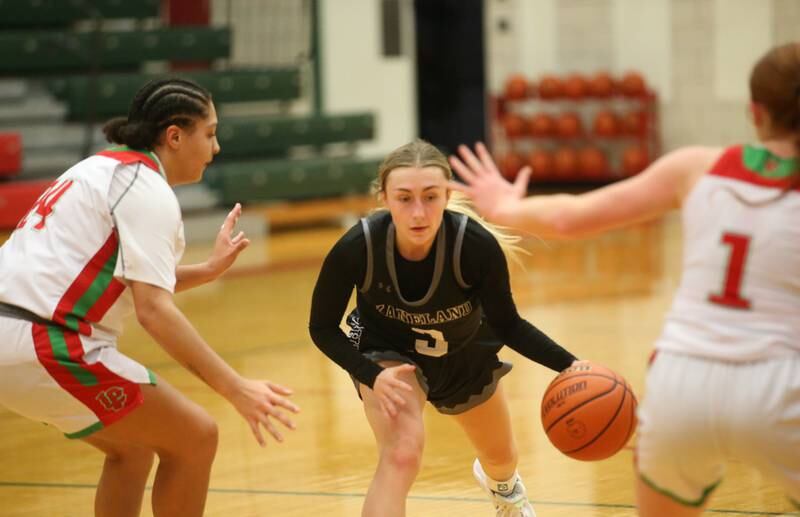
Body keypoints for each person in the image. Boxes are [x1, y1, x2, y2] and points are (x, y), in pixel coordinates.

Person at [448, 42, 800, 516]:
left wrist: (504, 206)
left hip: (684, 380)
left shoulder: (697, 166)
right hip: (781, 382)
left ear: (754, 112)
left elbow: (571, 219)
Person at [0, 78, 299, 517]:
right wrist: (236, 387)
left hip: (16, 337)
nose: (216, 148)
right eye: (210, 133)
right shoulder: (145, 188)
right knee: (197, 436)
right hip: (48, 342)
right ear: (175, 136)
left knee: (133, 449)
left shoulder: (101, 168)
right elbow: (154, 311)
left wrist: (209, 269)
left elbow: (124, 278)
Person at [308, 139, 580, 517]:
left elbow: (509, 326)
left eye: (431, 197)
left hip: (465, 351)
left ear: (448, 195)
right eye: (404, 198)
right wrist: (371, 375)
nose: (418, 212)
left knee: (502, 458)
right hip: (387, 354)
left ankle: (504, 491)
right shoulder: (358, 247)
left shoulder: (475, 246)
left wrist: (571, 364)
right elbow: (321, 328)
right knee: (401, 455)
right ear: (383, 198)